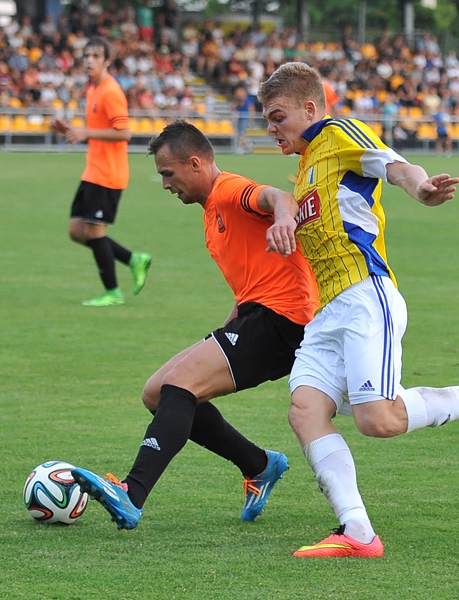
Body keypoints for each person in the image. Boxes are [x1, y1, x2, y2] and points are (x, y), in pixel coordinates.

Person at [257, 61, 459, 559]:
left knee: (380, 420)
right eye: (266, 117)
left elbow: (394, 166)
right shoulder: (306, 166)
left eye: (277, 115)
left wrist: (420, 188)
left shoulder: (337, 133)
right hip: (328, 312)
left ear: (310, 107)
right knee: (306, 409)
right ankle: (358, 533)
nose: (271, 127)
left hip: (365, 296)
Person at [70, 120, 320, 528]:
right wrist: (232, 319)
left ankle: (132, 493)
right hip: (257, 314)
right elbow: (253, 277)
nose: (166, 184)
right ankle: (258, 465)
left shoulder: (229, 190)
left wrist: (282, 220)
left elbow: (279, 196)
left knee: (181, 385)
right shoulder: (210, 212)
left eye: (169, 173)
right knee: (156, 393)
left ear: (196, 163)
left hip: (285, 320)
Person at [52, 37, 151, 307]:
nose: (89, 61)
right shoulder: (91, 90)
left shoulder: (110, 91)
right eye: (86, 56)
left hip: (108, 173)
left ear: (107, 61)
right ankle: (133, 259)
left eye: (96, 56)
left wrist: (85, 132)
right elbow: (96, 131)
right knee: (76, 229)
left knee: (94, 232)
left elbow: (125, 133)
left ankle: (113, 292)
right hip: (93, 170)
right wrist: (70, 130)